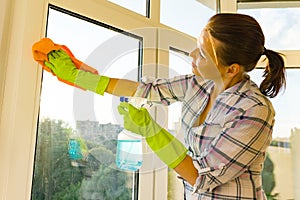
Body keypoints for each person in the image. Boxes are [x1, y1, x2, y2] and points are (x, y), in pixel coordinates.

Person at [44, 13, 286, 199]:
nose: (192, 55)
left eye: (202, 54)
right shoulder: (200, 85)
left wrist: (152, 132)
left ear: (231, 69)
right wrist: (81, 78)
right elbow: (147, 90)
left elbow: (200, 177)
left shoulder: (254, 111)